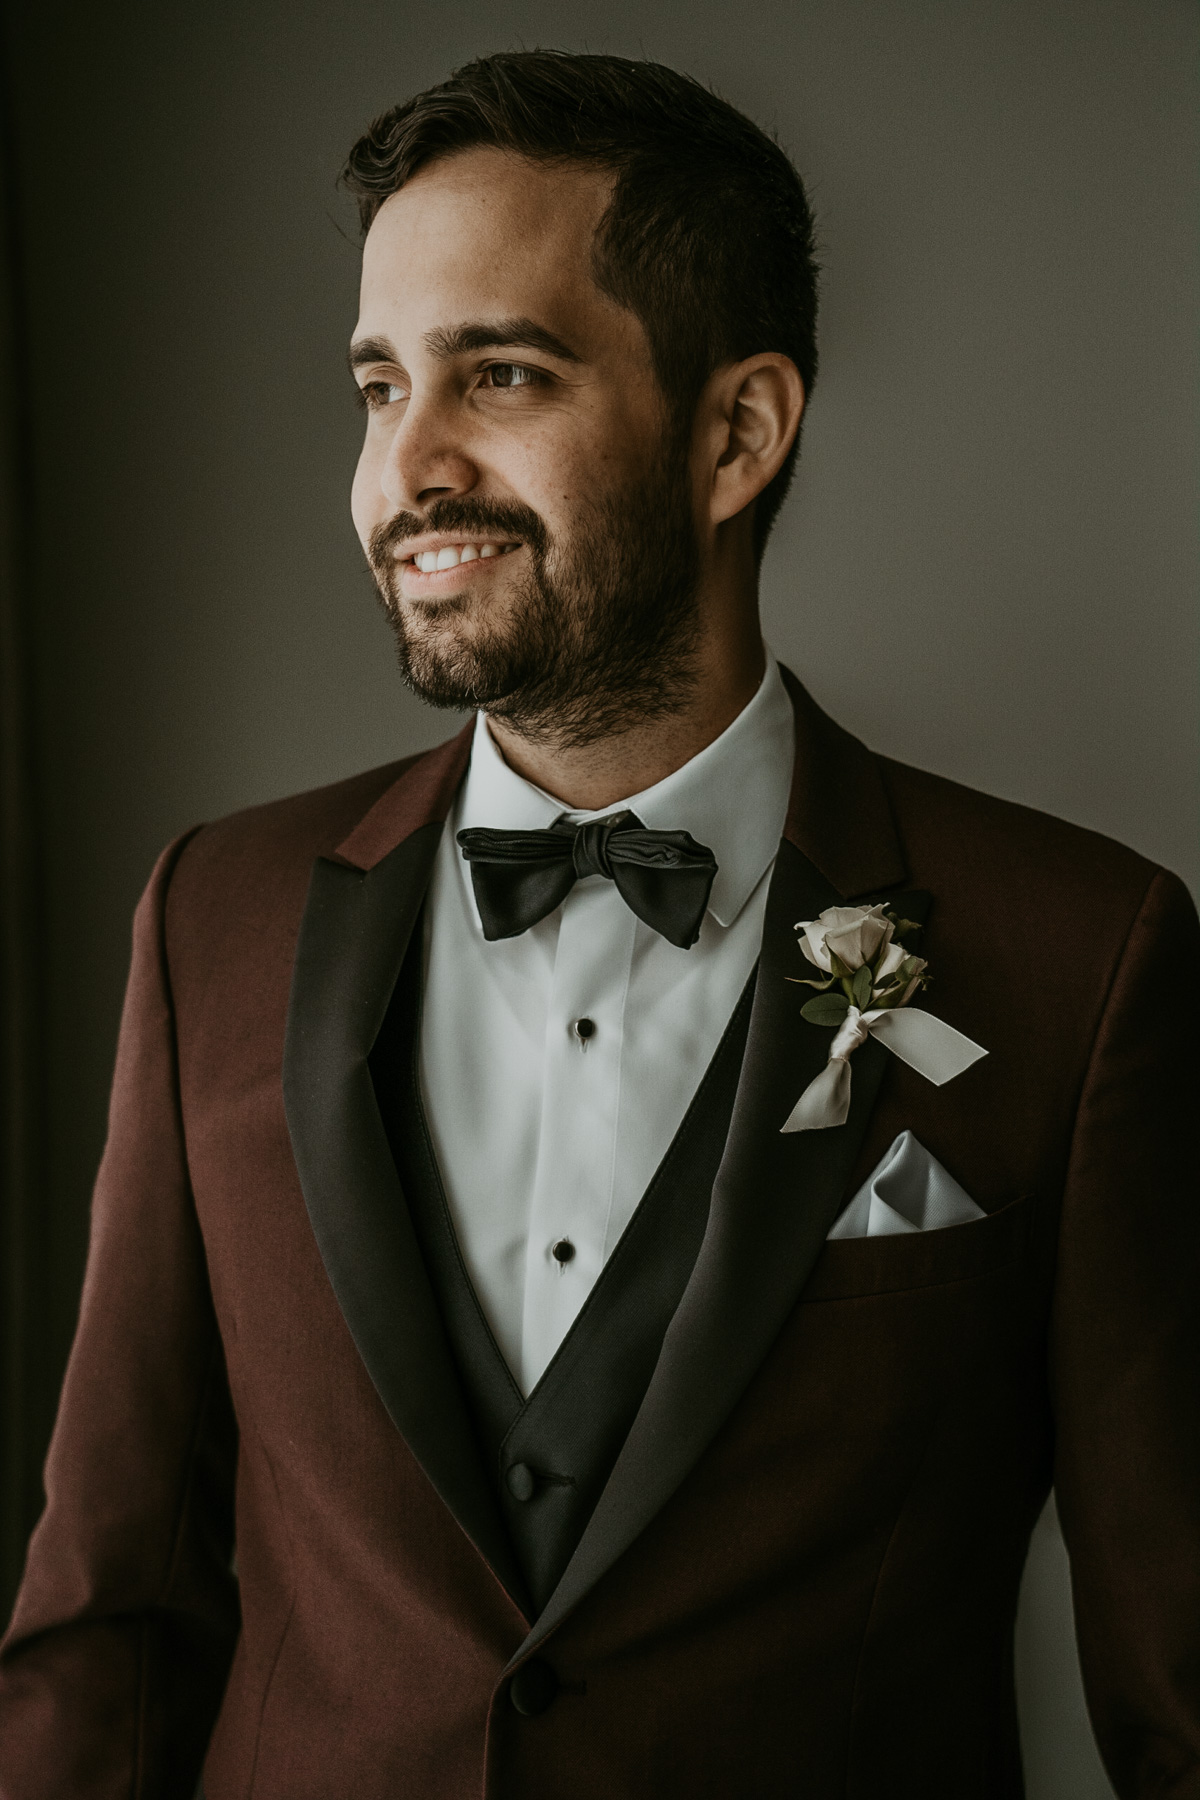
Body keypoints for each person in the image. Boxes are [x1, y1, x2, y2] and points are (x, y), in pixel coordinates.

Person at [0, 49, 1196, 1800]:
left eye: (500, 373)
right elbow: (106, 1617)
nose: (408, 466)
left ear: (739, 432)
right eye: (376, 385)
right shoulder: (216, 920)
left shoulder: (1081, 959)